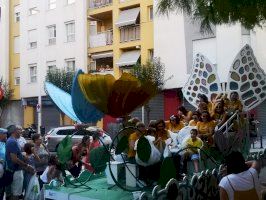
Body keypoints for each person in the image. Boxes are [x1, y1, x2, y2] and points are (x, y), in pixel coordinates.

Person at [5, 125, 35, 200]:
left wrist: (22, 155)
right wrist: (27, 166)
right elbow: (14, 159)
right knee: (16, 194)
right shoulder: (12, 141)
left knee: (14, 192)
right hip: (16, 170)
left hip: (14, 170)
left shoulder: (13, 140)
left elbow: (16, 155)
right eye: (20, 130)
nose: (22, 131)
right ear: (14, 131)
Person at [0, 128, 7, 200]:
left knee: (2, 188)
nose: (6, 135)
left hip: (4, 170)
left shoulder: (4, 143)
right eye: (4, 134)